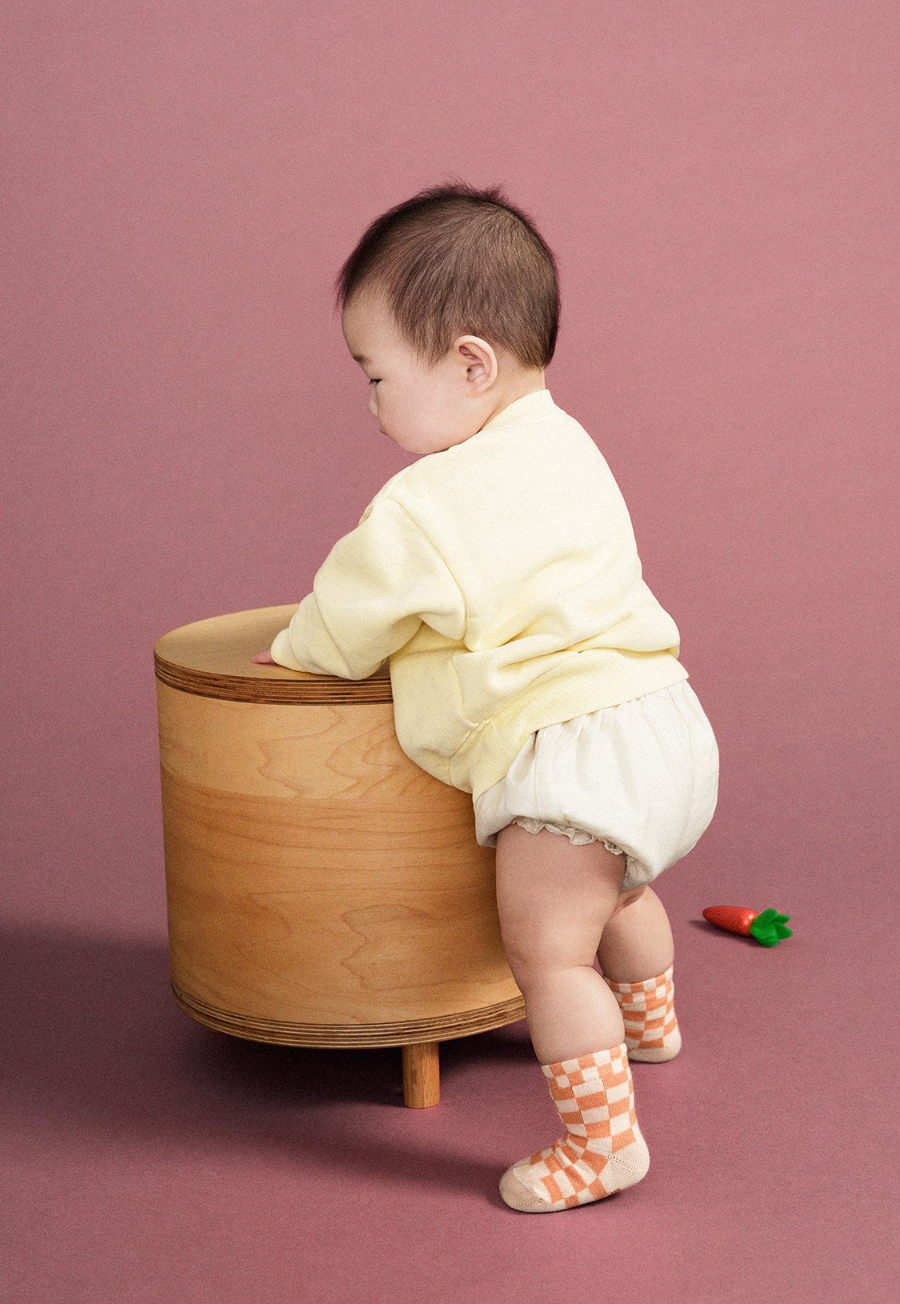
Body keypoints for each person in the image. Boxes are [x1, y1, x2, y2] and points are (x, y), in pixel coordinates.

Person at [252, 184, 718, 1212]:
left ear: (470, 363)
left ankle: (601, 1146)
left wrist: (298, 649)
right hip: (661, 722)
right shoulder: (568, 444)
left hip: (570, 753)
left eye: (376, 376)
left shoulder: (429, 502)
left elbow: (353, 605)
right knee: (619, 892)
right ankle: (651, 1025)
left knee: (549, 955)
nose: (371, 405)